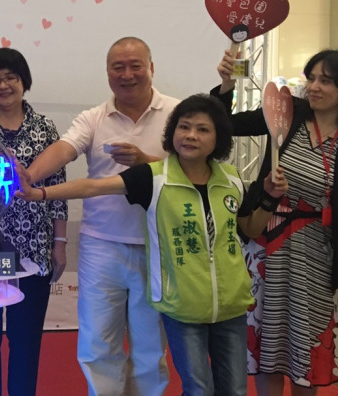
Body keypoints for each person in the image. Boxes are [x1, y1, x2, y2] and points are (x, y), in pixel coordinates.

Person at [18, 94, 286, 396]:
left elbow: (249, 228)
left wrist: (269, 198)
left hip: (231, 305)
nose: (191, 135)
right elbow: (93, 186)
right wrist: (39, 193)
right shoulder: (155, 177)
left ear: (219, 138)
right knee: (197, 388)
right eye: (184, 127)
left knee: (234, 390)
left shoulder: (232, 179)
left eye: (202, 130)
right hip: (183, 306)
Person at [214, 49, 338, 395]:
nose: (314, 87)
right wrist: (226, 85)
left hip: (318, 256)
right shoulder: (285, 113)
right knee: (267, 341)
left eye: (326, 81)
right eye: (312, 78)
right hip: (266, 248)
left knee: (307, 346)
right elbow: (223, 126)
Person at [25, 36, 175, 396]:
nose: (127, 75)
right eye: (117, 67)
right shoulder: (93, 117)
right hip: (101, 246)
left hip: (158, 245)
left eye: (135, 66)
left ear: (152, 68)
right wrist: (28, 176)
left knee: (150, 347)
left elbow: (195, 165)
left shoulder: (177, 113)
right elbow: (64, 149)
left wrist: (146, 162)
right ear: (108, 73)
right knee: (97, 344)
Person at [0, 48, 68, 396]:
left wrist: (60, 243)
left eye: (11, 77)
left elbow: (57, 189)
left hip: (34, 246)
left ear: (24, 82)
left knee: (26, 339)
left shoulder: (45, 128)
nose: (3, 85)